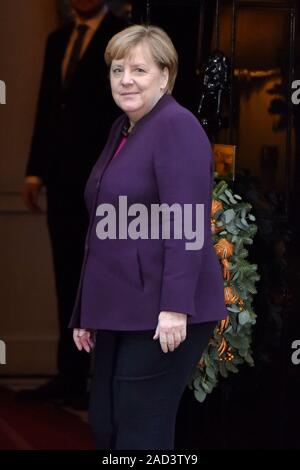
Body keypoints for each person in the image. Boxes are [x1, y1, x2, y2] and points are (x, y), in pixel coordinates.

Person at [69, 25, 227, 449]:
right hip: (120, 307)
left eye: (139, 69)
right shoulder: (123, 128)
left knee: (141, 432)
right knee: (105, 424)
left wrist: (175, 307)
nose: (126, 80)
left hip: (164, 311)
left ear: (165, 75)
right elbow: (104, 226)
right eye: (118, 69)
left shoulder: (176, 126)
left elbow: (186, 221)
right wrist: (86, 308)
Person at [21, 0, 127, 406]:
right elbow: (47, 108)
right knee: (67, 276)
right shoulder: (57, 39)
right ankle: (71, 376)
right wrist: (35, 172)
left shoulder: (124, 33)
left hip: (108, 181)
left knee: (109, 278)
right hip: (63, 183)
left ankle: (106, 380)